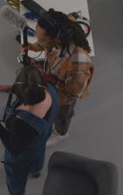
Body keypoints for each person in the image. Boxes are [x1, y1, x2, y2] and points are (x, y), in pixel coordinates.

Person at [0, 65, 59, 195]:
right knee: (39, 152)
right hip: (42, 135)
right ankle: (36, 170)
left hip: (23, 153)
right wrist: (10, 88)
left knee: (15, 174)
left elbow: (13, 147)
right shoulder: (50, 90)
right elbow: (33, 90)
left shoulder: (20, 121)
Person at [22, 9, 94, 147]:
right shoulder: (58, 32)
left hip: (63, 99)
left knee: (61, 117)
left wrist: (45, 77)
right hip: (52, 80)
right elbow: (45, 44)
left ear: (57, 38)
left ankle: (61, 134)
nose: (39, 41)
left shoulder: (79, 64)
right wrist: (31, 47)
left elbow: (72, 93)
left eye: (42, 39)